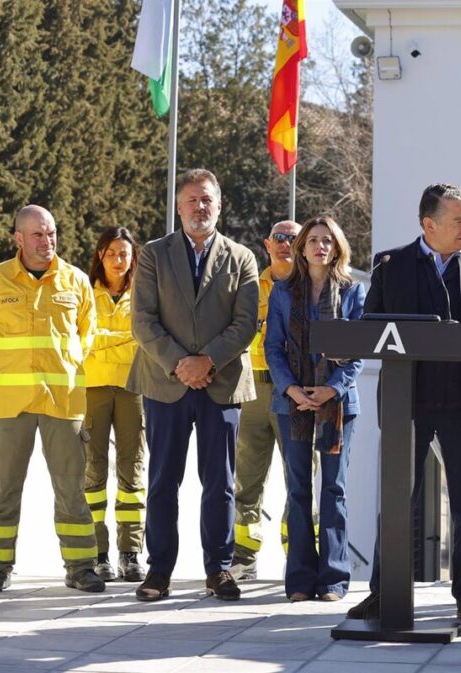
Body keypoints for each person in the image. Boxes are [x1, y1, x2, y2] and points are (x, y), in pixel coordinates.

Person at [346, 183, 461, 626]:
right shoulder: (391, 264)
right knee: (398, 498)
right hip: (409, 400)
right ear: (429, 224)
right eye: (458, 220)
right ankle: (383, 594)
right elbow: (371, 326)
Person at [128, 169, 259, 602]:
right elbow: (143, 320)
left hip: (221, 385)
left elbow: (245, 324)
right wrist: (181, 364)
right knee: (164, 478)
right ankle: (159, 570)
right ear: (179, 206)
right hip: (166, 383)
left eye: (207, 200)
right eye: (192, 200)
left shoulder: (241, 257)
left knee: (219, 481)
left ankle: (219, 569)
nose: (199, 207)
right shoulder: (152, 254)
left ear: (219, 206)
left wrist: (207, 362)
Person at [0, 205, 105, 593]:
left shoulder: (75, 280)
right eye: (37, 234)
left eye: (51, 233)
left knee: (71, 487)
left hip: (63, 401)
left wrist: (66, 363)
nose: (47, 241)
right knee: (4, 488)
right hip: (11, 403)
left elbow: (87, 334)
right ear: (18, 238)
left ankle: (81, 566)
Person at [265, 216, 364, 602]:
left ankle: (334, 579)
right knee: (298, 490)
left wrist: (330, 389)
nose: (320, 246)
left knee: (333, 490)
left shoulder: (353, 292)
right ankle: (301, 580)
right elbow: (272, 347)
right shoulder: (283, 293)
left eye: (328, 240)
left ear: (337, 247)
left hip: (337, 404)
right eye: (313, 240)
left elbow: (358, 350)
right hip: (292, 404)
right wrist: (292, 389)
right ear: (302, 247)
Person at [232, 219, 306, 580]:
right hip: (252, 389)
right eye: (278, 238)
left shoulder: (310, 286)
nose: (285, 244)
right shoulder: (248, 285)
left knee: (299, 477)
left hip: (292, 391)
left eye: (292, 238)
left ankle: (299, 556)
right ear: (266, 243)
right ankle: (244, 558)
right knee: (246, 479)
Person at [83, 227, 147, 583]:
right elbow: (85, 341)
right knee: (93, 469)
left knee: (131, 469)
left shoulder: (143, 293)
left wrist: (108, 342)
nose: (118, 260)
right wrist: (126, 339)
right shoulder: (84, 292)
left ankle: (131, 551)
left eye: (124, 253)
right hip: (92, 388)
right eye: (111, 253)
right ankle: (98, 551)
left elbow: (146, 339)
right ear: (100, 256)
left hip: (132, 387)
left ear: (132, 256)